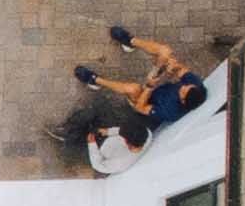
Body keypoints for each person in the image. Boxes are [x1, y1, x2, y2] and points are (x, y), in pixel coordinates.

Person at [73, 25, 210, 134]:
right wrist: (174, 67)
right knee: (165, 52)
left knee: (132, 88)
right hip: (159, 81)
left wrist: (149, 88)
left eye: (183, 91)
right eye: (187, 86)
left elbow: (140, 108)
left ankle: (94, 80)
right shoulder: (197, 87)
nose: (183, 86)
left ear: (183, 101)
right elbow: (181, 70)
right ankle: (129, 41)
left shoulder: (171, 112)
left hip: (145, 97)